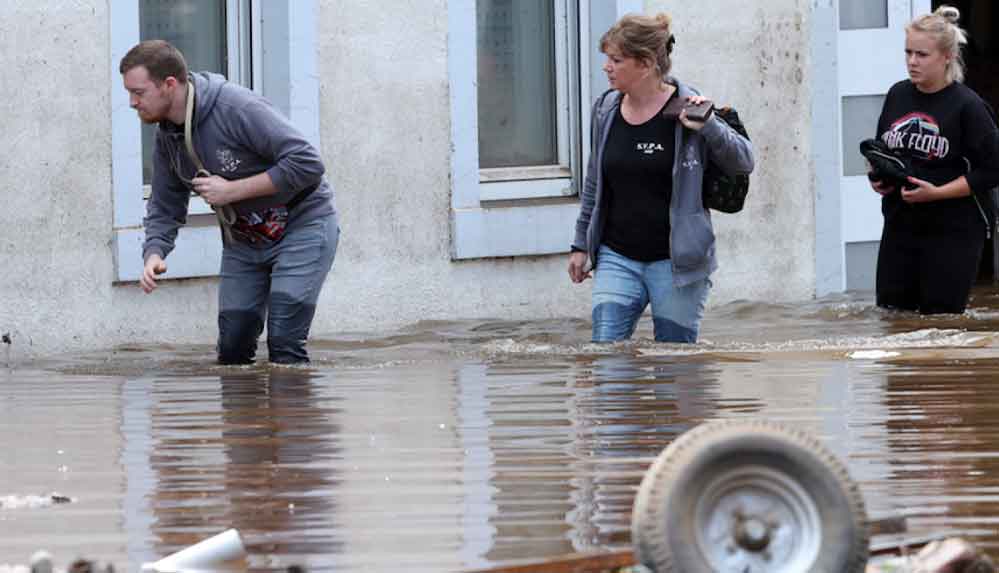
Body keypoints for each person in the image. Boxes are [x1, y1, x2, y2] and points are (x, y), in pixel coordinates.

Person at [119, 40, 340, 364]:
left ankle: (294, 398)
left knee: (284, 342)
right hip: (244, 238)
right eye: (129, 93)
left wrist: (233, 191)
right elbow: (165, 206)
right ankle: (245, 402)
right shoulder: (168, 137)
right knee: (233, 348)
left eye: (138, 92)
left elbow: (307, 163)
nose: (131, 103)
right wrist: (154, 253)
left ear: (169, 84)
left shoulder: (236, 107)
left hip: (302, 224)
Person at [568, 13, 754, 343]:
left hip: (676, 265)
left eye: (616, 60)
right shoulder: (605, 109)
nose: (606, 67)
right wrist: (581, 244)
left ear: (645, 63)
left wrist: (709, 126)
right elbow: (595, 182)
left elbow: (744, 161)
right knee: (606, 359)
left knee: (675, 364)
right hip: (616, 257)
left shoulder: (690, 108)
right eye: (607, 59)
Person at [869, 6, 999, 314]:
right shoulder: (897, 94)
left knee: (941, 322)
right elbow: (883, 148)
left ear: (947, 57)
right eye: (908, 52)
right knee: (892, 316)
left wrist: (937, 193)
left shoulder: (968, 106)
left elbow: (993, 170)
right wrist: (879, 176)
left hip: (952, 231)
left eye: (922, 55)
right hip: (900, 225)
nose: (912, 61)